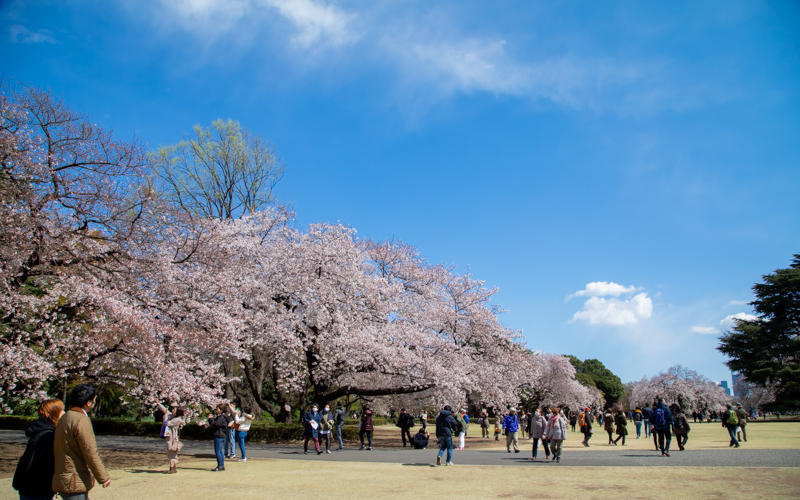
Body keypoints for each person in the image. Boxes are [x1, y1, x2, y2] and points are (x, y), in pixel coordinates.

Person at [52, 384, 111, 499]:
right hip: (74, 479)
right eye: (94, 400)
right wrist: (103, 476)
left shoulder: (65, 417)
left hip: (63, 476)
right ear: (88, 403)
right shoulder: (80, 420)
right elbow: (90, 451)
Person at [13, 399, 64, 500]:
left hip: (29, 488)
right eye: (62, 410)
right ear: (55, 413)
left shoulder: (40, 432)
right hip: (37, 491)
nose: (64, 413)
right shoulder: (48, 436)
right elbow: (45, 465)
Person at [156, 402, 186, 473]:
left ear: (177, 412)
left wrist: (165, 415)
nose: (172, 410)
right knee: (172, 452)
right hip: (171, 436)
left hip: (172, 437)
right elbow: (165, 410)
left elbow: (166, 423)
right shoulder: (173, 416)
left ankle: (172, 468)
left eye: (174, 410)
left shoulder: (176, 419)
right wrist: (158, 404)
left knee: (171, 452)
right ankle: (174, 467)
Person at [208, 403, 231, 471]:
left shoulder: (221, 417)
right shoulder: (222, 417)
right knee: (220, 451)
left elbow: (215, 424)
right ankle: (221, 465)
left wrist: (211, 419)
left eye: (217, 409)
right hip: (220, 435)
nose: (216, 410)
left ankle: (220, 465)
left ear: (221, 410)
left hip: (219, 435)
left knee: (218, 451)